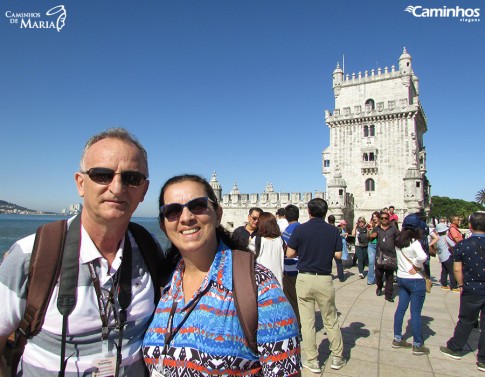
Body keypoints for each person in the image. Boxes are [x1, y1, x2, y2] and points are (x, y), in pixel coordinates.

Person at [0, 128, 166, 376]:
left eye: (132, 178)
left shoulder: (149, 248)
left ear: (143, 190)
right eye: (102, 175)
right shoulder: (30, 255)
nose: (117, 187)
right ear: (80, 183)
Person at [142, 174, 301, 376]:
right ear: (164, 225)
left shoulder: (260, 286)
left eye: (198, 205)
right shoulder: (161, 284)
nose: (186, 217)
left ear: (218, 214)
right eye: (172, 211)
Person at [286, 198, 346, 373]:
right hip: (325, 279)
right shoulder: (333, 231)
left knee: (307, 322)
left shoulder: (300, 229)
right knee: (331, 320)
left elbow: (289, 253)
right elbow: (338, 255)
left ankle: (312, 360)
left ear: (309, 211)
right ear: (326, 211)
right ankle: (337, 357)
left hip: (304, 278)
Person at [440, 211, 485, 372]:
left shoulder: (463, 245)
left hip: (471, 288)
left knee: (466, 320)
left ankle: (455, 348)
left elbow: (457, 269)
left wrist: (460, 285)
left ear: (470, 226)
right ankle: (483, 360)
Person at [392, 214, 429, 356]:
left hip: (401, 278)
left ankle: (397, 337)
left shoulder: (398, 240)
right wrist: (417, 265)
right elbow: (423, 257)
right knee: (415, 312)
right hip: (415, 280)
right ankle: (418, 344)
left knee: (401, 309)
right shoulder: (414, 242)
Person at [248, 212, 285, 286]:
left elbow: (250, 257)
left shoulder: (257, 240)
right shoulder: (280, 240)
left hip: (262, 281)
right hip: (278, 281)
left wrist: (249, 241)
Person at [370, 212, 400, 302]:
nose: (383, 220)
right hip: (380, 255)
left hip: (390, 255)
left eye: (385, 218)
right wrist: (371, 235)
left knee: (389, 277)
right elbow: (370, 238)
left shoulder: (393, 229)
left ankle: (388, 295)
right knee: (378, 274)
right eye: (382, 218)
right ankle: (379, 286)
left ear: (388, 219)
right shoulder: (377, 228)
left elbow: (399, 238)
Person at [281, 204, 301, 330]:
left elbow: (285, 252)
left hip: (290, 270)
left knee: (292, 300)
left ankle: (297, 326)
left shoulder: (287, 232)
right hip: (304, 269)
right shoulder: (304, 229)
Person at [431, 223, 459, 292]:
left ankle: (444, 284)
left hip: (441, 257)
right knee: (452, 271)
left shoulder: (437, 238)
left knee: (444, 271)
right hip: (448, 256)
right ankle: (454, 286)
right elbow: (453, 244)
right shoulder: (445, 237)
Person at [329, 216, 345, 282]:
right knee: (339, 262)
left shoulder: (327, 228)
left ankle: (327, 274)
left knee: (328, 262)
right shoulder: (337, 229)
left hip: (328, 247)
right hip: (335, 247)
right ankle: (341, 277)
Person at [366, 211, 380, 285]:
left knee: (379, 263)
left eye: (376, 217)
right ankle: (370, 279)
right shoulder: (371, 225)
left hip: (379, 245)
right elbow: (368, 236)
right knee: (371, 262)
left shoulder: (381, 225)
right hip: (371, 244)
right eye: (373, 216)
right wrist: (369, 230)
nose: (375, 218)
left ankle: (379, 278)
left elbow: (375, 235)